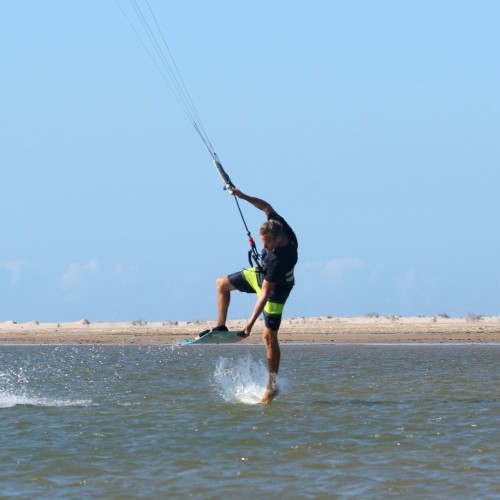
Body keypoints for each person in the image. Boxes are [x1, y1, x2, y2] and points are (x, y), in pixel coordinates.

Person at [206, 188, 298, 403]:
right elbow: (266, 207)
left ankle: (271, 385)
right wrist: (242, 196)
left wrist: (249, 325)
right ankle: (220, 325)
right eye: (262, 241)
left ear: (278, 239)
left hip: (277, 289)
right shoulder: (277, 224)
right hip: (261, 275)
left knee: (268, 336)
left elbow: (265, 293)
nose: (264, 246)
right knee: (222, 284)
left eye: (267, 244)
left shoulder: (280, 258)